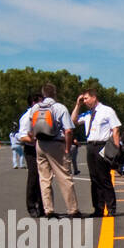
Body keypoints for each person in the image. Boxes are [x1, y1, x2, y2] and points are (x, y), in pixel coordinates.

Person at [30, 83, 82, 218]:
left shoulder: (35, 108)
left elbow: (32, 126)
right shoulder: (59, 108)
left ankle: (48, 210)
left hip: (40, 144)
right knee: (64, 177)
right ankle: (72, 209)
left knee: (44, 178)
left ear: (43, 94)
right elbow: (69, 130)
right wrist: (67, 148)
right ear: (55, 93)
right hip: (56, 144)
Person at [72, 89, 121, 217]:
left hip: (102, 145)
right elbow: (73, 121)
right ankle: (98, 208)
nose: (85, 101)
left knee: (104, 178)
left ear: (94, 97)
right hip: (90, 146)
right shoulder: (88, 114)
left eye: (86, 98)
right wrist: (78, 105)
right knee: (94, 179)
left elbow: (115, 129)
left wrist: (116, 150)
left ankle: (111, 208)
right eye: (83, 99)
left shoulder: (107, 111)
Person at [16, 92, 44, 217]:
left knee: (44, 178)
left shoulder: (42, 115)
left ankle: (43, 205)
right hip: (32, 150)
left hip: (43, 149)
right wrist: (34, 140)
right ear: (34, 103)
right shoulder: (27, 117)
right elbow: (22, 136)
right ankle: (31, 206)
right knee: (33, 177)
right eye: (41, 102)